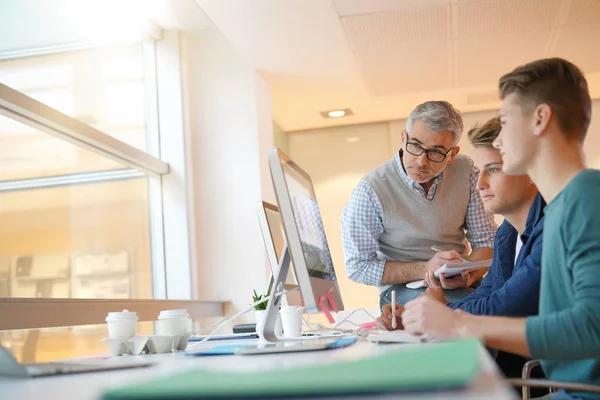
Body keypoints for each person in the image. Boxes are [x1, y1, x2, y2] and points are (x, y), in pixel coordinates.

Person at [402, 58, 600, 400]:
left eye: (506, 122)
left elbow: (592, 327)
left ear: (540, 119)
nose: (502, 139)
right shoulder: (567, 205)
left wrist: (457, 324)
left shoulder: (586, 196)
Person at [379, 116, 544, 378]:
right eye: (480, 172)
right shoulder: (507, 233)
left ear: (531, 169)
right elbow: (485, 296)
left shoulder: (550, 229)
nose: (480, 185)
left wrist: (439, 309)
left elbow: (504, 307)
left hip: (543, 379)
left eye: (493, 169)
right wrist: (424, 313)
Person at [341, 101, 496, 306]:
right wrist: (426, 269)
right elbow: (358, 267)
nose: (422, 161)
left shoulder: (466, 171)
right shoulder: (372, 189)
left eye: (436, 152)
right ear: (403, 138)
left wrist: (470, 275)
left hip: (460, 284)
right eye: (415, 146)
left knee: (505, 306)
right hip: (402, 288)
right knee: (463, 310)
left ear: (452, 154)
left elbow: (486, 242)